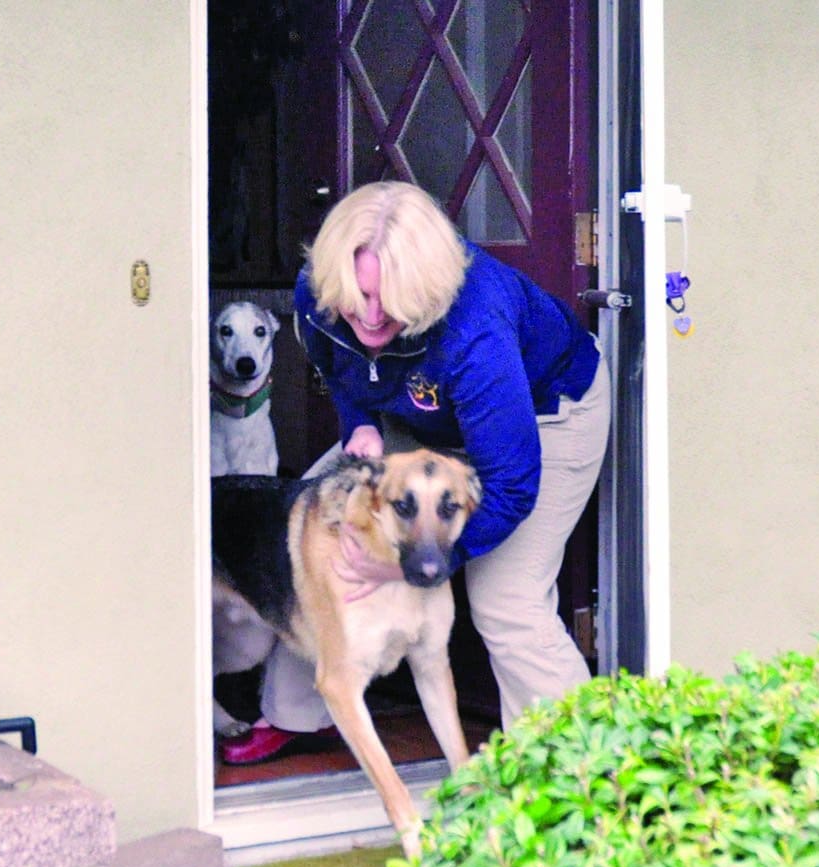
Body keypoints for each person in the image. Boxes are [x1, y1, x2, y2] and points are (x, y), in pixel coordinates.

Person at [221, 180, 611, 765]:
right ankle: (305, 714)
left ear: (426, 290)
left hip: (541, 414)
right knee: (320, 530)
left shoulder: (475, 329)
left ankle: (579, 773)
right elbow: (339, 360)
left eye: (389, 301)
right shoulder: (325, 291)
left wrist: (417, 558)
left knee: (506, 599)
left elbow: (509, 486)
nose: (370, 316)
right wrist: (361, 425)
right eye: (360, 298)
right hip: (419, 412)